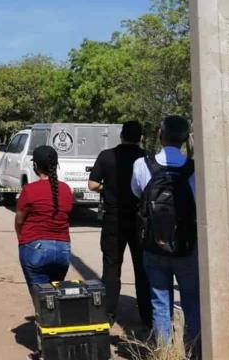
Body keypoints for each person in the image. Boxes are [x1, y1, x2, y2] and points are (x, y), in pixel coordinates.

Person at [131, 115, 199, 347]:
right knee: (191, 302)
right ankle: (192, 350)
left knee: (160, 303)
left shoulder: (142, 165)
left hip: (154, 245)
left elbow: (137, 193)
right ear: (184, 139)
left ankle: (165, 352)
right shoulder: (193, 169)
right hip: (186, 247)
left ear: (160, 134)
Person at [88, 120, 152, 328]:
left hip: (113, 219)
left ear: (121, 135)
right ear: (141, 137)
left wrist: (107, 189)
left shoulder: (106, 156)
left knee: (111, 267)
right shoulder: (146, 159)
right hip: (140, 221)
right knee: (142, 269)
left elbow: (92, 184)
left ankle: (108, 314)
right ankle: (147, 317)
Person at [16, 145, 74, 299]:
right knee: (54, 298)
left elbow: (19, 221)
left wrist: (22, 240)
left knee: (42, 300)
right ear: (56, 165)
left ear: (35, 166)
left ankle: (47, 321)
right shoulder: (66, 189)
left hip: (35, 248)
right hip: (63, 250)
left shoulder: (29, 190)